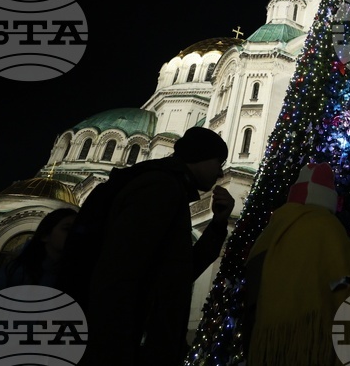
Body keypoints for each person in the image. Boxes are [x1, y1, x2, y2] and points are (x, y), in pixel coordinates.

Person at [69, 126, 236, 366]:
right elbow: (124, 269)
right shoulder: (160, 188)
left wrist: (218, 224)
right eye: (218, 162)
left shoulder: (170, 189)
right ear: (200, 156)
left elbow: (177, 273)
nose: (220, 173)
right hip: (124, 342)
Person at [242, 161, 350, 366]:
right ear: (328, 198)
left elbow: (254, 279)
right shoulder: (327, 228)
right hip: (315, 340)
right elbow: (341, 279)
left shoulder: (272, 228)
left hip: (267, 338)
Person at [0, 206, 78, 365]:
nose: (74, 236)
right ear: (45, 235)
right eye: (67, 229)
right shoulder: (12, 274)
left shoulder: (71, 281)